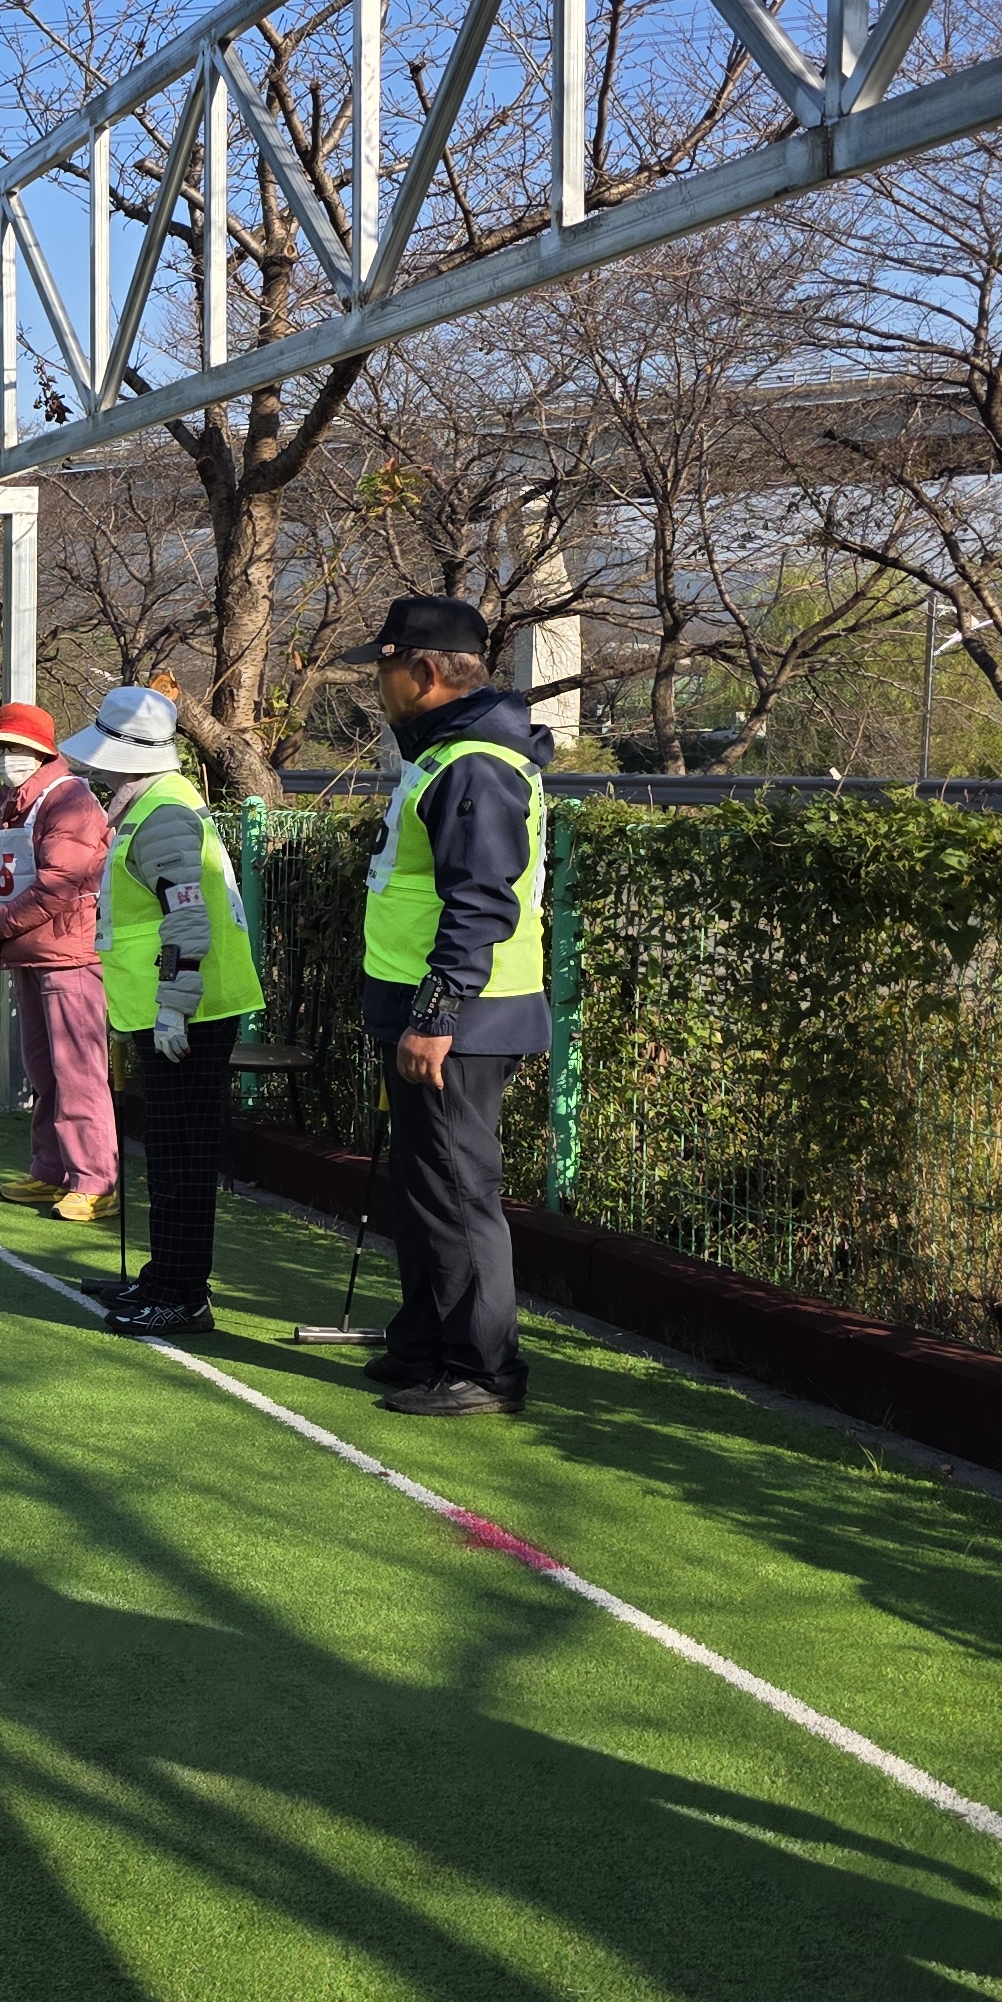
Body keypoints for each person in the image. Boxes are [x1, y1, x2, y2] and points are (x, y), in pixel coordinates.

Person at [356, 595, 552, 1417]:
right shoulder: (449, 755)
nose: (377, 688)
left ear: (424, 670)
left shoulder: (474, 763)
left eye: (384, 671)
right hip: (435, 1009)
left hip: (463, 1018)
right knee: (427, 1186)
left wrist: (435, 1014)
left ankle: (483, 1368)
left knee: (459, 1188)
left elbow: (479, 901)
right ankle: (426, 1344)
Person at [60, 681, 261, 1337]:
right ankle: (166, 1277)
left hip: (188, 1013)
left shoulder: (163, 814)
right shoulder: (156, 804)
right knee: (173, 1156)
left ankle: (183, 1293)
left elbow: (187, 918)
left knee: (182, 1159)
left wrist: (174, 1006)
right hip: (174, 1009)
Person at [0, 704, 116, 1221]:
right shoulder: (17, 803)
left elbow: (61, 884)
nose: (5, 758)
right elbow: (12, 875)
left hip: (70, 955)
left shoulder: (69, 799)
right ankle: (51, 1169)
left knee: (78, 1071)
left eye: (15, 748)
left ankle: (95, 1181)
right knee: (44, 1069)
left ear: (41, 751)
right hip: (32, 951)